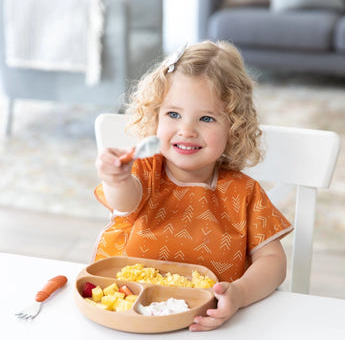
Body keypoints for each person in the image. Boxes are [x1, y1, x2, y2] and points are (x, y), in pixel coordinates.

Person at [94, 40, 293, 331]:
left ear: (234, 128)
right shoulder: (144, 172)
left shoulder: (244, 192)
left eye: (207, 118)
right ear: (156, 116)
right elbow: (125, 201)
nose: (186, 130)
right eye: (173, 114)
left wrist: (240, 294)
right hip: (126, 317)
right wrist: (117, 179)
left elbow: (273, 261)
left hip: (213, 324)